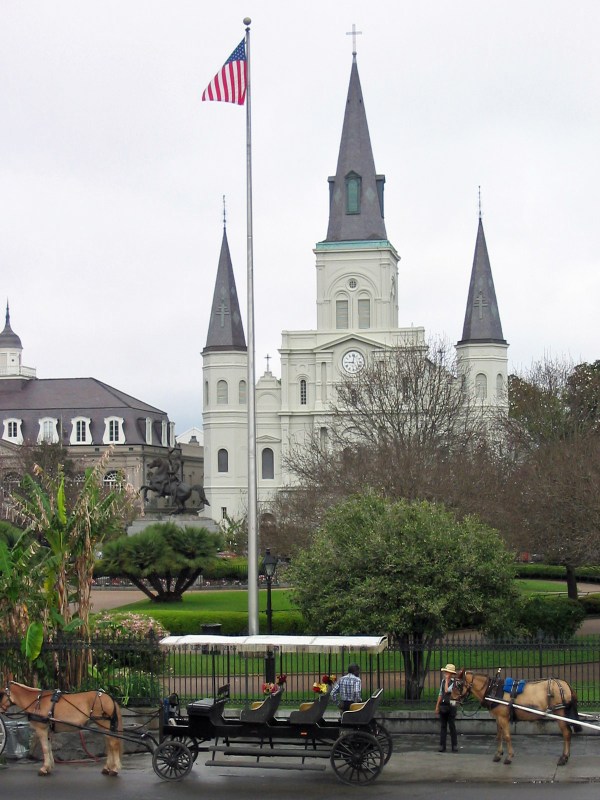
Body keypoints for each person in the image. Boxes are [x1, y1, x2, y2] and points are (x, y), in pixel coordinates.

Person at [435, 663, 459, 752]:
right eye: (445, 672)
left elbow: (447, 690)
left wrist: (447, 680)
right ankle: (442, 745)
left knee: (452, 725)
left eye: (447, 672)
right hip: (443, 705)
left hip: (451, 705)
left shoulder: (455, 682)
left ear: (451, 673)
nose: (445, 674)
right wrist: (437, 706)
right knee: (443, 726)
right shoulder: (443, 681)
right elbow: (441, 694)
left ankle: (454, 745)